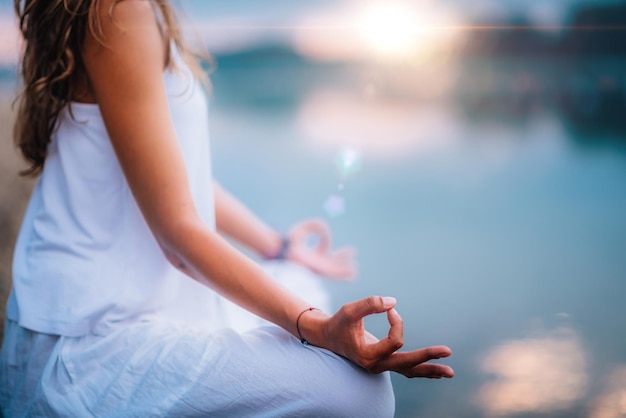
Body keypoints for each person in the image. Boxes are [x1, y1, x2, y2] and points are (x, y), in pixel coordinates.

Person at [0, 0, 454, 416]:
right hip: (89, 331)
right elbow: (178, 232)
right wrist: (316, 328)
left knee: (300, 281)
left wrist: (278, 246)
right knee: (358, 393)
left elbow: (177, 177)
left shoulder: (134, 11)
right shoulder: (117, 10)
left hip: (143, 297)